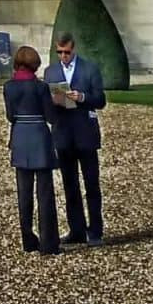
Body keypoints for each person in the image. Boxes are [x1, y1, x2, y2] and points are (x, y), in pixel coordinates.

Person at [43, 33, 106, 246]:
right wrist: (53, 102)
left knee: (91, 185)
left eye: (66, 52)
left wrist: (83, 97)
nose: (63, 56)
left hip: (85, 132)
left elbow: (101, 100)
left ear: (74, 49)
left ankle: (95, 231)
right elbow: (47, 105)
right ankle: (76, 230)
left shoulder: (89, 69)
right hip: (62, 132)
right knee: (70, 185)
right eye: (59, 52)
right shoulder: (50, 72)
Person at [3, 44, 61, 255]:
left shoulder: (9, 86)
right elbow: (51, 117)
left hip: (20, 136)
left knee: (24, 194)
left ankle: (28, 239)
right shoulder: (40, 87)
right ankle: (49, 244)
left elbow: (10, 116)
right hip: (38, 134)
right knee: (44, 193)